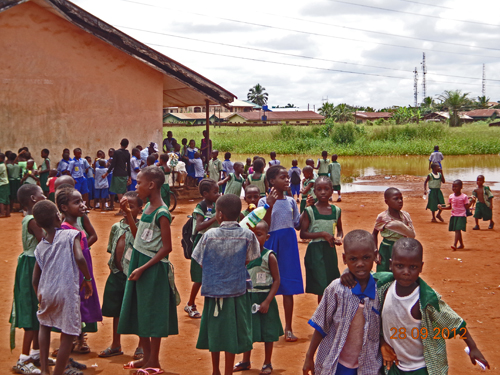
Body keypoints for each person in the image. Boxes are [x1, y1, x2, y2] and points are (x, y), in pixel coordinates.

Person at [377, 238, 489, 375]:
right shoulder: (383, 288)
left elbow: (454, 322)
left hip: (421, 368)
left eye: (413, 267)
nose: (406, 272)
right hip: (394, 365)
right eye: (400, 266)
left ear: (421, 267)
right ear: (391, 265)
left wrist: (473, 347)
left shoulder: (426, 299)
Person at [118, 166, 179, 372]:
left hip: (152, 270)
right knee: (140, 310)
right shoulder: (146, 209)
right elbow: (138, 239)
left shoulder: (162, 213)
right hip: (139, 264)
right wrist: (128, 214)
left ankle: (154, 360)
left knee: (152, 312)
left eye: (139, 182)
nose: (136, 186)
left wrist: (143, 268)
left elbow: (167, 247)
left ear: (151, 185)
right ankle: (145, 357)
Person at [192, 194, 260, 375]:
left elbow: (200, 260)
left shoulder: (209, 235)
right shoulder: (248, 235)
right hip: (238, 291)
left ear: (219, 215)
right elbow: (250, 259)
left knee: (215, 331)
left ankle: (216, 370)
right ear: (239, 214)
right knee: (231, 332)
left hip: (214, 291)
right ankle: (228, 371)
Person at [302, 229, 381, 375]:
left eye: (366, 258)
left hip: (369, 366)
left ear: (375, 256)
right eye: (353, 259)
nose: (360, 264)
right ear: (344, 259)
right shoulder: (336, 289)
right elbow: (321, 325)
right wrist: (309, 356)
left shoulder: (381, 290)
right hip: (336, 364)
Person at [32, 200, 93, 375]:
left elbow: (35, 278)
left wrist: (39, 296)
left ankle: (44, 370)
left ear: (38, 223)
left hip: (46, 292)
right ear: (58, 217)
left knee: (44, 325)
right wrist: (87, 279)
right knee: (68, 332)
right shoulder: (70, 235)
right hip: (66, 292)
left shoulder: (40, 246)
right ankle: (58, 371)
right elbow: (80, 259)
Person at [259, 165, 302, 342]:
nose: (287, 180)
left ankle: (288, 328)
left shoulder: (291, 201)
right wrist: (270, 205)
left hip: (288, 244)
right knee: (266, 285)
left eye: (287, 177)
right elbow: (264, 225)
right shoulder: (264, 201)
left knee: (288, 287)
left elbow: (297, 224)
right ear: (271, 181)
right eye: (282, 177)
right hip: (271, 242)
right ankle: (264, 327)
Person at [233, 221, 283, 375]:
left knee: (268, 332)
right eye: (251, 234)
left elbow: (277, 280)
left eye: (259, 235)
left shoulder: (269, 256)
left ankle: (267, 363)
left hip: (264, 297)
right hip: (247, 297)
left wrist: (267, 301)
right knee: (247, 330)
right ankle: (245, 360)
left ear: (267, 237)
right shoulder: (243, 256)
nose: (254, 238)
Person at [57, 187, 102, 353]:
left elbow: (90, 238)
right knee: (73, 304)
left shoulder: (78, 222)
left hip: (82, 271)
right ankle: (70, 342)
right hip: (74, 273)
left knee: (81, 303)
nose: (82, 205)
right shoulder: (65, 228)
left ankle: (80, 339)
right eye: (77, 202)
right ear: (64, 207)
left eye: (82, 201)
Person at [99, 191, 143, 360]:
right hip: (117, 273)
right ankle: (116, 344)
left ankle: (141, 345)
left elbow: (138, 238)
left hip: (134, 275)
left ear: (140, 208)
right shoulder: (116, 227)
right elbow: (112, 249)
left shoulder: (141, 227)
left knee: (138, 308)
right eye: (123, 206)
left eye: (130, 207)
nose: (126, 209)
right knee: (116, 309)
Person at [10, 184, 46, 374]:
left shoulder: (31, 218)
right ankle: (24, 358)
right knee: (32, 311)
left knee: (38, 309)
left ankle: (36, 352)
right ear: (33, 199)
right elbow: (46, 242)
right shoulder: (33, 220)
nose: (45, 195)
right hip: (32, 267)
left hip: (34, 265)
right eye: (42, 194)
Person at [300, 177, 343, 303]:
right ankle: (323, 316)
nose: (323, 192)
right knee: (322, 286)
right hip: (315, 251)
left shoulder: (336, 211)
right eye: (319, 189)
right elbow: (303, 234)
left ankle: (329, 315)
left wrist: (339, 237)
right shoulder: (310, 210)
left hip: (330, 250)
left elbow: (340, 230)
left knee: (332, 282)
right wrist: (323, 234)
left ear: (332, 191)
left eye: (326, 189)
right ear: (314, 191)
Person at [185, 179, 220, 319]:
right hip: (202, 244)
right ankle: (190, 304)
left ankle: (214, 307)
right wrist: (215, 218)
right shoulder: (202, 206)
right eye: (215, 192)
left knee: (216, 275)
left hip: (216, 243)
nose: (218, 194)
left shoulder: (219, 204)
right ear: (205, 193)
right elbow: (199, 226)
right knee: (199, 278)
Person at [373, 188, 415, 272]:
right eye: (396, 199)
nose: (400, 201)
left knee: (400, 271)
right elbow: (374, 234)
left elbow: (411, 234)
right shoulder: (383, 217)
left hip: (402, 248)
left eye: (401, 198)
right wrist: (375, 251)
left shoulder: (405, 216)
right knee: (383, 271)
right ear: (386, 202)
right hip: (386, 248)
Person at [438, 180, 471, 250]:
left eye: (456, 186)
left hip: (461, 216)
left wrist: (471, 202)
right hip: (454, 215)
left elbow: (467, 207)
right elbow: (450, 207)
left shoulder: (464, 196)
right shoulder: (451, 196)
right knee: (457, 230)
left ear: (461, 187)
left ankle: (455, 244)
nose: (454, 188)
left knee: (457, 230)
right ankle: (461, 244)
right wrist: (442, 208)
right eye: (453, 186)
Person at [103, 139, 131, 214]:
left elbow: (113, 164)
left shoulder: (117, 152)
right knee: (123, 192)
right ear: (127, 145)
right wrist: (130, 177)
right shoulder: (127, 153)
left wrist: (106, 173)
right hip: (124, 174)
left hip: (117, 174)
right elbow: (128, 165)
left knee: (119, 193)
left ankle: (122, 209)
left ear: (120, 143)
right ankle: (124, 208)